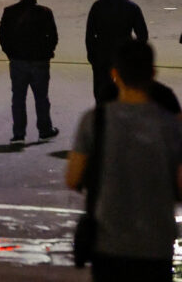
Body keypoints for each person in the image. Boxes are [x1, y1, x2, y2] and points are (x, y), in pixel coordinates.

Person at [66, 42, 182, 282]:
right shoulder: (171, 126)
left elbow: (73, 178)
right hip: (156, 244)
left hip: (108, 242)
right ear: (152, 73)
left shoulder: (95, 120)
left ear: (115, 73)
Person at [0, 0, 59, 143]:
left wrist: (10, 53)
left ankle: (19, 133)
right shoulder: (45, 13)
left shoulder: (10, 12)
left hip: (17, 61)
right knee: (41, 97)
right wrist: (47, 52)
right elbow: (53, 37)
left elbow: (2, 35)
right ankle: (45, 129)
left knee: (18, 97)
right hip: (40, 61)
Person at [84, 0, 148, 103]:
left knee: (101, 92)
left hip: (101, 55)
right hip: (124, 57)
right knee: (124, 91)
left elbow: (90, 34)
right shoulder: (133, 8)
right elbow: (143, 35)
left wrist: (92, 55)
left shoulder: (97, 6)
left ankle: (102, 119)